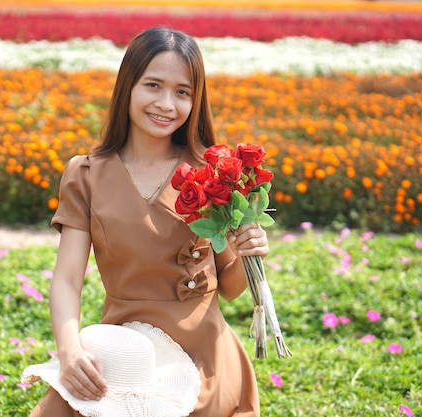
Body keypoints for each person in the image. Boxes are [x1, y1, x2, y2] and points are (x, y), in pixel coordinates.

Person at [27, 26, 269, 417]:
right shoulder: (86, 174)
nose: (166, 104)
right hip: (125, 356)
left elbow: (231, 288)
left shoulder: (213, 173)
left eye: (182, 92)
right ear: (128, 86)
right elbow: (68, 279)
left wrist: (247, 253)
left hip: (202, 358)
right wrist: (69, 350)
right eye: (153, 85)